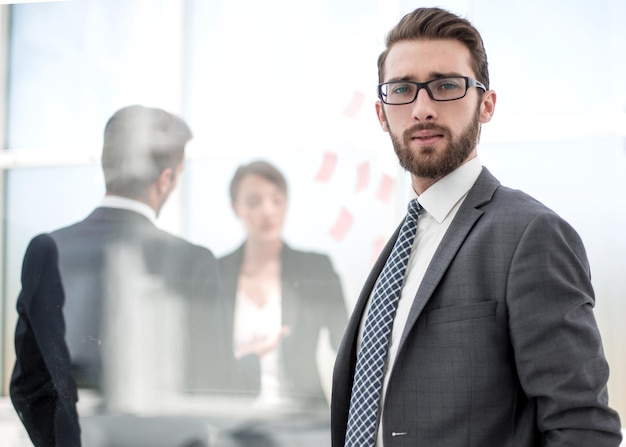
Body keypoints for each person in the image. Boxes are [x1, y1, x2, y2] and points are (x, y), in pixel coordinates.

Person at [331, 7, 622, 447]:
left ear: (485, 105)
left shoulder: (531, 234)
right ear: (381, 113)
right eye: (402, 90)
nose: (422, 109)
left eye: (446, 85)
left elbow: (583, 429)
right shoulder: (403, 242)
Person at [10, 105, 258, 447]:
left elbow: (28, 385)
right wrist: (252, 360)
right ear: (166, 179)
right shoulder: (193, 261)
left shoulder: (47, 249)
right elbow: (218, 397)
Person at [219, 160, 348, 406]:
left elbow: (348, 344)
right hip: (233, 414)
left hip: (300, 418)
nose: (268, 210)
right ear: (236, 207)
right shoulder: (215, 271)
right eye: (254, 202)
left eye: (277, 200)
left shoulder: (315, 270)